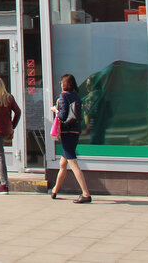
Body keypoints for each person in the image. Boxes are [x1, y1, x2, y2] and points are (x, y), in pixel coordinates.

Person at [49, 73, 91, 203]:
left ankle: (86, 194)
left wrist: (55, 109)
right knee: (63, 163)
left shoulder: (63, 96)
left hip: (67, 133)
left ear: (64, 84)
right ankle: (55, 190)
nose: (60, 85)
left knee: (72, 163)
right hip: (75, 131)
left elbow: (61, 116)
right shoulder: (76, 97)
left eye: (61, 82)